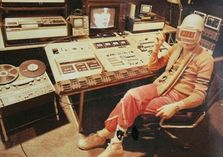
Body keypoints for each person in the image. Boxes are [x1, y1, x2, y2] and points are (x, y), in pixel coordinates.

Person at [77, 14, 214, 157]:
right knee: (131, 96)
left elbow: (200, 95)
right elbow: (154, 67)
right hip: (162, 85)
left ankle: (108, 138)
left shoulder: (205, 59)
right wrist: (156, 48)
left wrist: (176, 106)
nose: (186, 39)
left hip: (176, 96)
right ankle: (113, 141)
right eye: (183, 33)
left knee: (129, 103)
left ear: (200, 34)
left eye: (190, 34)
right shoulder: (177, 47)